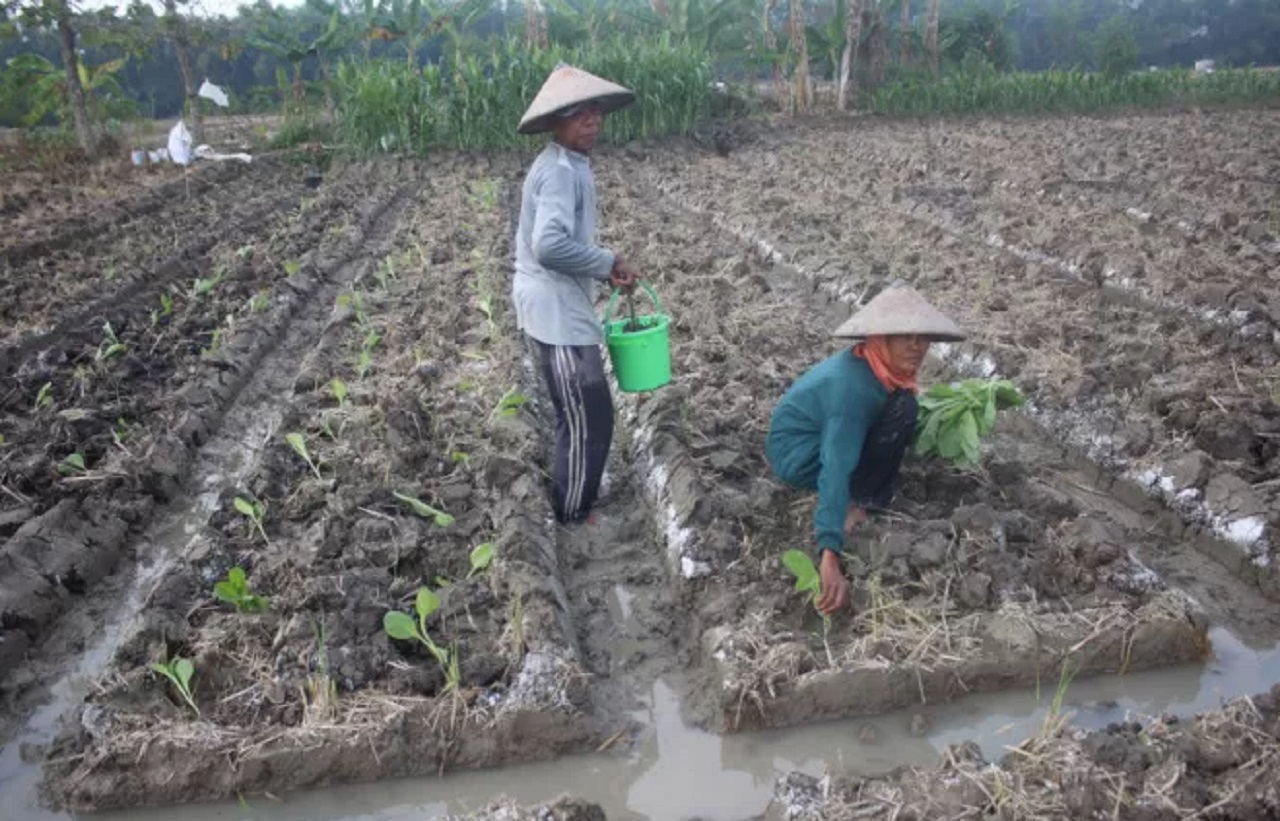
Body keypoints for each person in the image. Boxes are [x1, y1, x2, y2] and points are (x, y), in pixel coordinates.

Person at [765, 284, 967, 615]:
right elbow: (835, 466)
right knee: (896, 415)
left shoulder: (877, 368)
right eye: (905, 336)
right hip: (798, 456)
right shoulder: (853, 392)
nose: (916, 346)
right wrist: (828, 552)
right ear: (880, 339)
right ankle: (858, 503)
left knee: (904, 406)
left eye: (922, 337)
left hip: (820, 438)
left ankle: (866, 493)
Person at [512, 63, 642, 525]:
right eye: (578, 114)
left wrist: (602, 267)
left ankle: (574, 500)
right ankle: (573, 513)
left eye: (595, 112)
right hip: (556, 310)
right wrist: (607, 262)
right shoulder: (560, 172)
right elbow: (548, 245)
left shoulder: (568, 164)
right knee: (588, 413)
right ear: (554, 121)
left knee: (579, 411)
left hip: (556, 304)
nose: (591, 122)